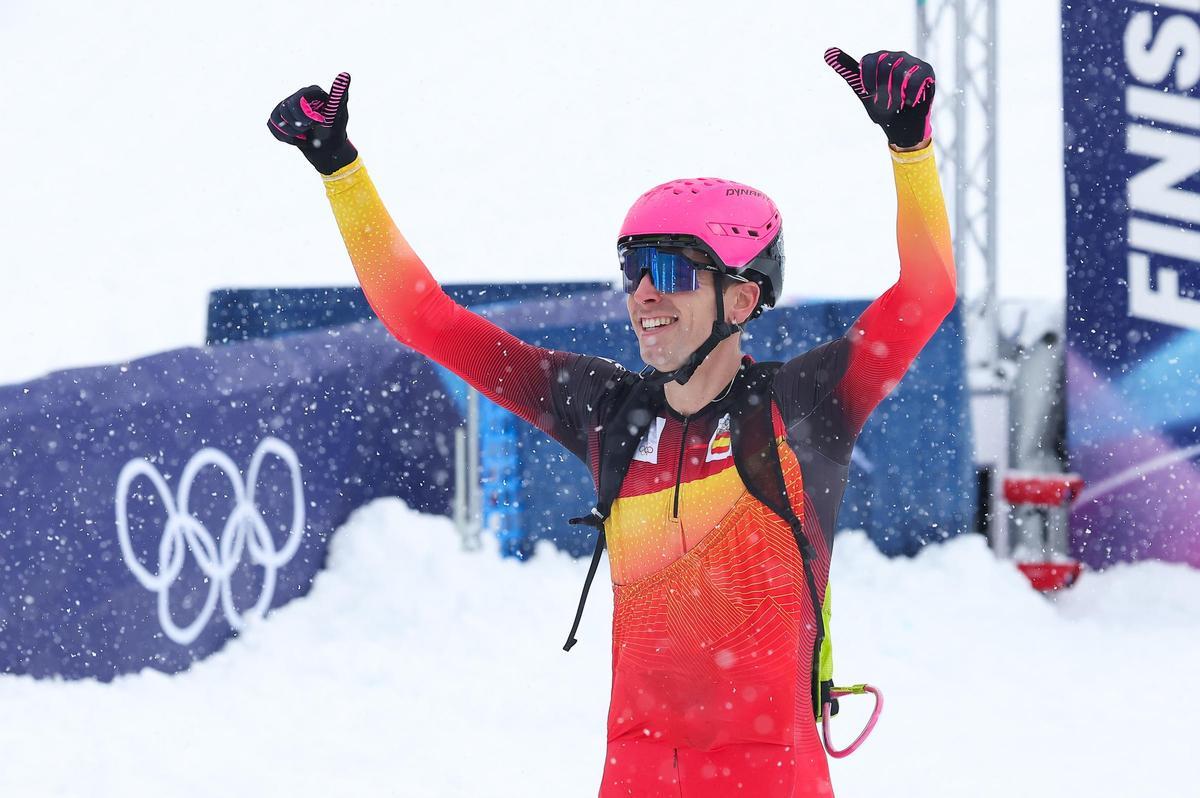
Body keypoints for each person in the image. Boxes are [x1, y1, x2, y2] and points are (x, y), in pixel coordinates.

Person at [269, 46, 955, 798]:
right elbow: (423, 318)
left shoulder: (804, 408)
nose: (643, 296)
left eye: (668, 273)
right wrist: (341, 170)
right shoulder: (609, 413)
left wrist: (909, 148)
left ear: (742, 300)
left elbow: (928, 292)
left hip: (770, 776)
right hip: (636, 773)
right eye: (633, 271)